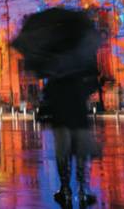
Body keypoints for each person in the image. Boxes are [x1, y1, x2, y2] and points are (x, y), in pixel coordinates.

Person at [42, 63, 99, 205]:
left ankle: (65, 189)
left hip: (61, 119)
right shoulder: (81, 69)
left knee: (63, 154)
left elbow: (47, 96)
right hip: (78, 118)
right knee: (81, 154)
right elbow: (92, 87)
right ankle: (83, 190)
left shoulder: (55, 74)